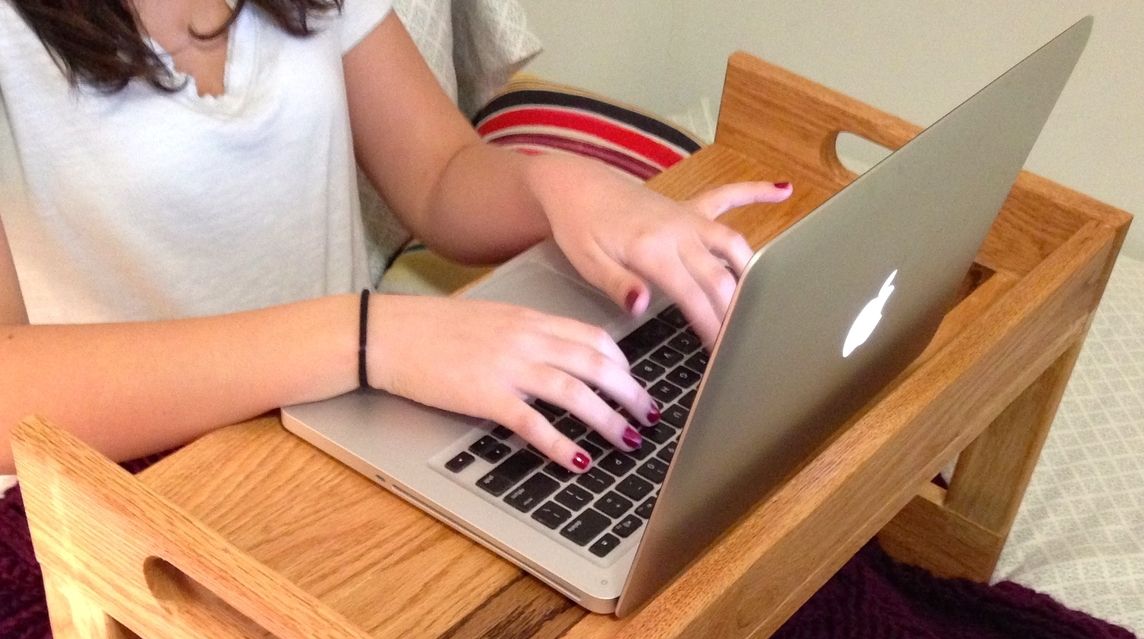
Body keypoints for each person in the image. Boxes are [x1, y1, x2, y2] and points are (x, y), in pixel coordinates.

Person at [0, 0, 792, 478]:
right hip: (129, 495)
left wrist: (562, 186)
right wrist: (364, 337)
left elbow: (439, 176)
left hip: (347, 434)